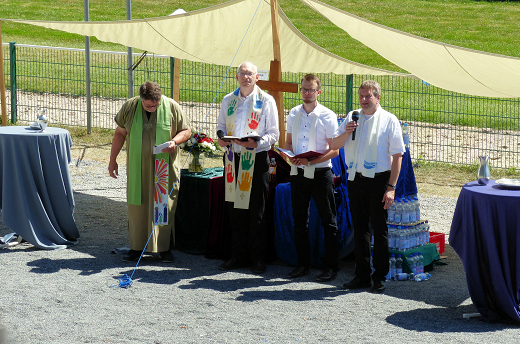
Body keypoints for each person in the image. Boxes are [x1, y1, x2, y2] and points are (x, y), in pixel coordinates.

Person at [331, 80, 404, 292]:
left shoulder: (389, 120)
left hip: (379, 179)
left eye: (368, 96)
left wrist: (391, 187)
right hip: (355, 178)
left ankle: (379, 275)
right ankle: (361, 274)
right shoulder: (352, 117)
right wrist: (346, 131)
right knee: (360, 228)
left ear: (377, 97)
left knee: (379, 229)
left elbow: (397, 156)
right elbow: (334, 146)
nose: (363, 100)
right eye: (361, 96)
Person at [109, 81, 191, 263]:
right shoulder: (130, 106)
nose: (153, 107)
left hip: (163, 168)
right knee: (137, 207)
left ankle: (163, 248)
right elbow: (120, 133)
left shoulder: (171, 106)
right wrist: (112, 160)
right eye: (148, 105)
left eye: (156, 104)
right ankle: (136, 247)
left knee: (163, 205)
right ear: (141, 100)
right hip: (138, 168)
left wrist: (175, 142)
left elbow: (186, 131)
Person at [216, 61, 279, 274]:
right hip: (233, 159)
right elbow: (221, 127)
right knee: (235, 209)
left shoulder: (267, 100)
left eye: (250, 73)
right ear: (237, 77)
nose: (246, 77)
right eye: (242, 73)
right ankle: (237, 255)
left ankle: (258, 258)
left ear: (257, 77)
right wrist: (221, 139)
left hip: (257, 159)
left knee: (257, 210)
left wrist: (257, 143)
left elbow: (273, 134)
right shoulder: (228, 100)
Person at [284, 74, 340, 282]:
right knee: (299, 220)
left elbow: (334, 151)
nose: (307, 93)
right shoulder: (293, 113)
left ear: (319, 92)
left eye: (311, 90)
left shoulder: (328, 115)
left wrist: (311, 162)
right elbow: (289, 143)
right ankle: (303, 264)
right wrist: (289, 157)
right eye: (304, 89)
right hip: (299, 173)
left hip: (320, 173)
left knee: (328, 220)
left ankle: (331, 267)